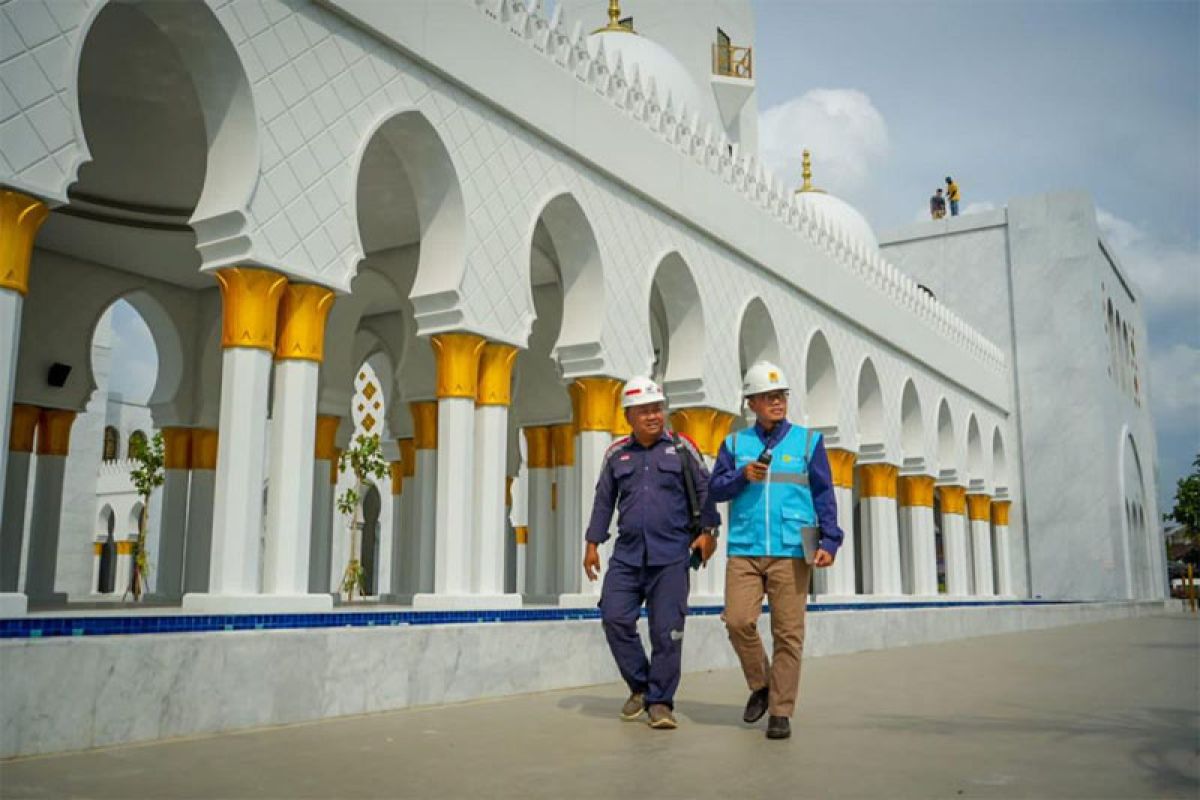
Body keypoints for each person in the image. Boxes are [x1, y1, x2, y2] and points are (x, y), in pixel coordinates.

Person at [708, 361, 844, 740]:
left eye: (781, 395)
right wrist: (740, 476)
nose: (777, 402)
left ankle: (781, 711)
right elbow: (714, 490)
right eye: (768, 397)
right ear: (751, 402)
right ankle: (761, 685)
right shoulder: (734, 444)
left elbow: (824, 494)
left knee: (788, 633)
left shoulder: (808, 442)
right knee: (737, 621)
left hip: (791, 547)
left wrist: (830, 540)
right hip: (745, 548)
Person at [583, 376, 720, 730]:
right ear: (628, 415)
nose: (652, 416)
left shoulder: (682, 447)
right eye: (643, 410)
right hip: (627, 557)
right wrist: (592, 544)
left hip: (672, 556)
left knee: (667, 632)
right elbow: (603, 500)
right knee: (614, 617)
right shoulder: (616, 453)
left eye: (657, 408)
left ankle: (660, 703)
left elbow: (706, 491)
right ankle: (641, 686)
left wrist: (709, 532)